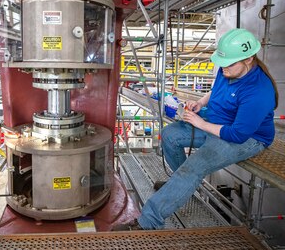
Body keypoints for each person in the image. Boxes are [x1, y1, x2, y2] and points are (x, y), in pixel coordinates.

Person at [113, 28, 278, 230]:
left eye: (228, 63)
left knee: (195, 166)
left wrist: (200, 123)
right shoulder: (228, 70)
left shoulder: (259, 90)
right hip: (216, 122)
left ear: (248, 59)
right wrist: (200, 103)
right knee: (169, 134)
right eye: (221, 62)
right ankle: (180, 185)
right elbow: (215, 90)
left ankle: (148, 222)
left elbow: (237, 133)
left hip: (247, 138)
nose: (223, 67)